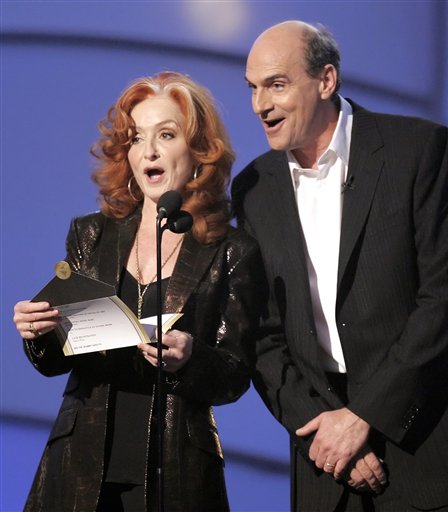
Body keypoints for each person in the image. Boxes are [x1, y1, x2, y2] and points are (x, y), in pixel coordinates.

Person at [232, 20, 448, 512]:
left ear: (326, 80)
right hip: (325, 458)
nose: (261, 105)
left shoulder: (417, 149)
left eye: (277, 85)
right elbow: (261, 334)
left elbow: (445, 296)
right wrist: (323, 431)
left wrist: (366, 417)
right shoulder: (253, 189)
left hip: (428, 442)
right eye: (254, 88)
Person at [13, 71, 265, 512]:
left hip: (178, 469)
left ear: (200, 150)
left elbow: (235, 374)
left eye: (165, 135)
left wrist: (191, 357)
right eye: (134, 138)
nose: (147, 151)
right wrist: (38, 332)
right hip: (80, 464)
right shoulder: (91, 235)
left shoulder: (232, 251)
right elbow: (58, 358)